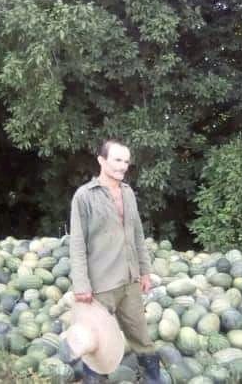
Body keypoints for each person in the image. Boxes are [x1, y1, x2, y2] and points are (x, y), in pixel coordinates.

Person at [69, 139, 162, 384]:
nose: (123, 166)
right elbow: (77, 243)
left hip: (129, 281)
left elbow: (137, 234)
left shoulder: (128, 192)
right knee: (98, 341)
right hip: (101, 285)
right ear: (102, 160)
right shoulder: (84, 197)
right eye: (117, 160)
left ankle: (153, 378)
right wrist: (81, 284)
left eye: (126, 161)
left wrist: (144, 271)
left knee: (141, 337)